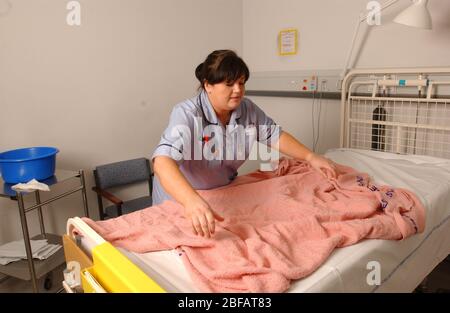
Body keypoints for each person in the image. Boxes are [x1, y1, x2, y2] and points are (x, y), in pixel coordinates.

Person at [152, 50, 336, 238]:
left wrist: (310, 156)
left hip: (221, 193)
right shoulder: (187, 113)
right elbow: (162, 162)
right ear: (208, 85)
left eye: (241, 83)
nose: (238, 90)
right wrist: (191, 201)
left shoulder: (247, 109)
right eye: (229, 84)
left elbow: (274, 135)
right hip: (183, 199)